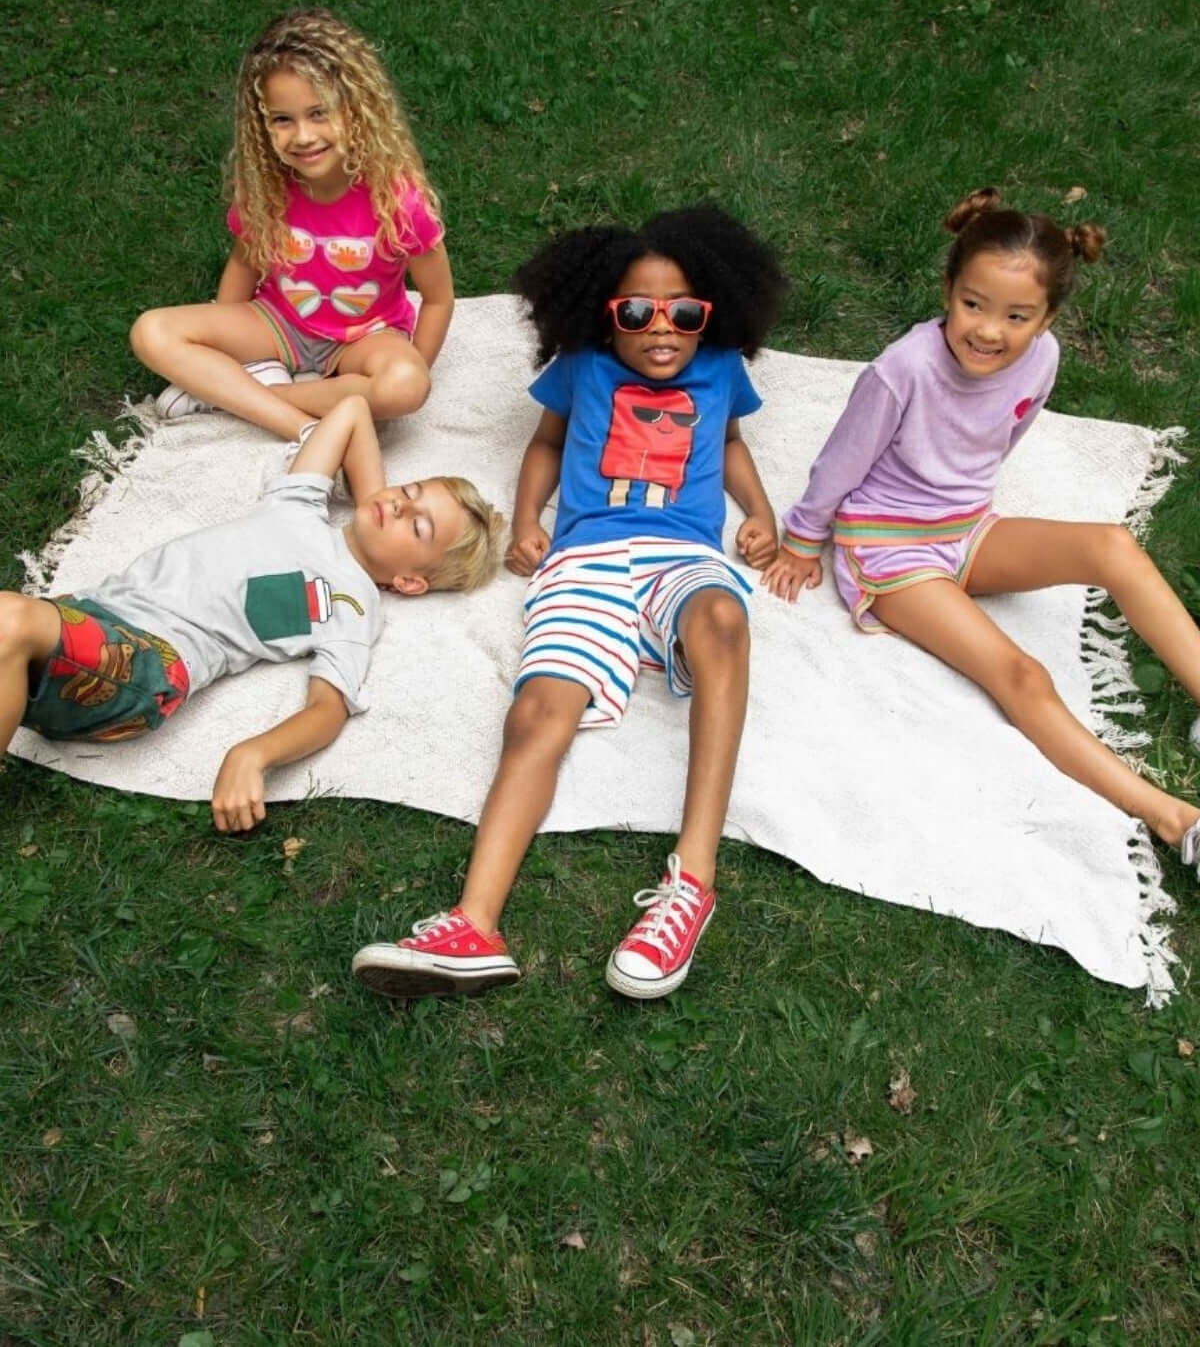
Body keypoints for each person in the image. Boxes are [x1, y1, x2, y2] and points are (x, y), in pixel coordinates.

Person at [352, 204, 787, 1001]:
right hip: (583, 560)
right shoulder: (584, 365)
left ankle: (692, 881)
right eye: (637, 311)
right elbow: (548, 441)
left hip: (681, 558)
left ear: (713, 315)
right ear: (602, 314)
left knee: (723, 621)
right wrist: (526, 523)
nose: (663, 329)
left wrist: (758, 514)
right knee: (536, 713)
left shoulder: (721, 369)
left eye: (685, 313)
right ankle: (473, 925)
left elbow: (727, 441)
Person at [761, 187, 1200, 868]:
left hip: (967, 527)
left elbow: (1003, 435)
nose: (989, 331)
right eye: (974, 305)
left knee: (1113, 546)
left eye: (1017, 316)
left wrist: (971, 518)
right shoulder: (901, 370)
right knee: (1021, 674)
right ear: (947, 289)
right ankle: (1173, 818)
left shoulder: (1042, 358)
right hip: (891, 550)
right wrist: (801, 539)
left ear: (1047, 317)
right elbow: (841, 459)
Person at [1, 397, 502, 831]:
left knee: (12, 620)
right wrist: (376, 496)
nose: (398, 507)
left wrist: (253, 754)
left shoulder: (351, 604)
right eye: (409, 493)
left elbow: (328, 710)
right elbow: (352, 411)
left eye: (418, 528)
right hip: (88, 615)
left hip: (144, 665)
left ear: (410, 583)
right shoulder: (298, 505)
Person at [130, 9, 453, 442]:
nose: (303, 136)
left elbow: (437, 299)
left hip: (365, 338)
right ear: (263, 127)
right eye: (283, 119)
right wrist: (226, 343)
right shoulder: (267, 186)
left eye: (319, 113)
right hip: (279, 322)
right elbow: (244, 264)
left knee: (404, 387)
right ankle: (300, 425)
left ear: (356, 112)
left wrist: (416, 369)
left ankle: (250, 392)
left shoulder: (396, 199)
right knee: (151, 331)